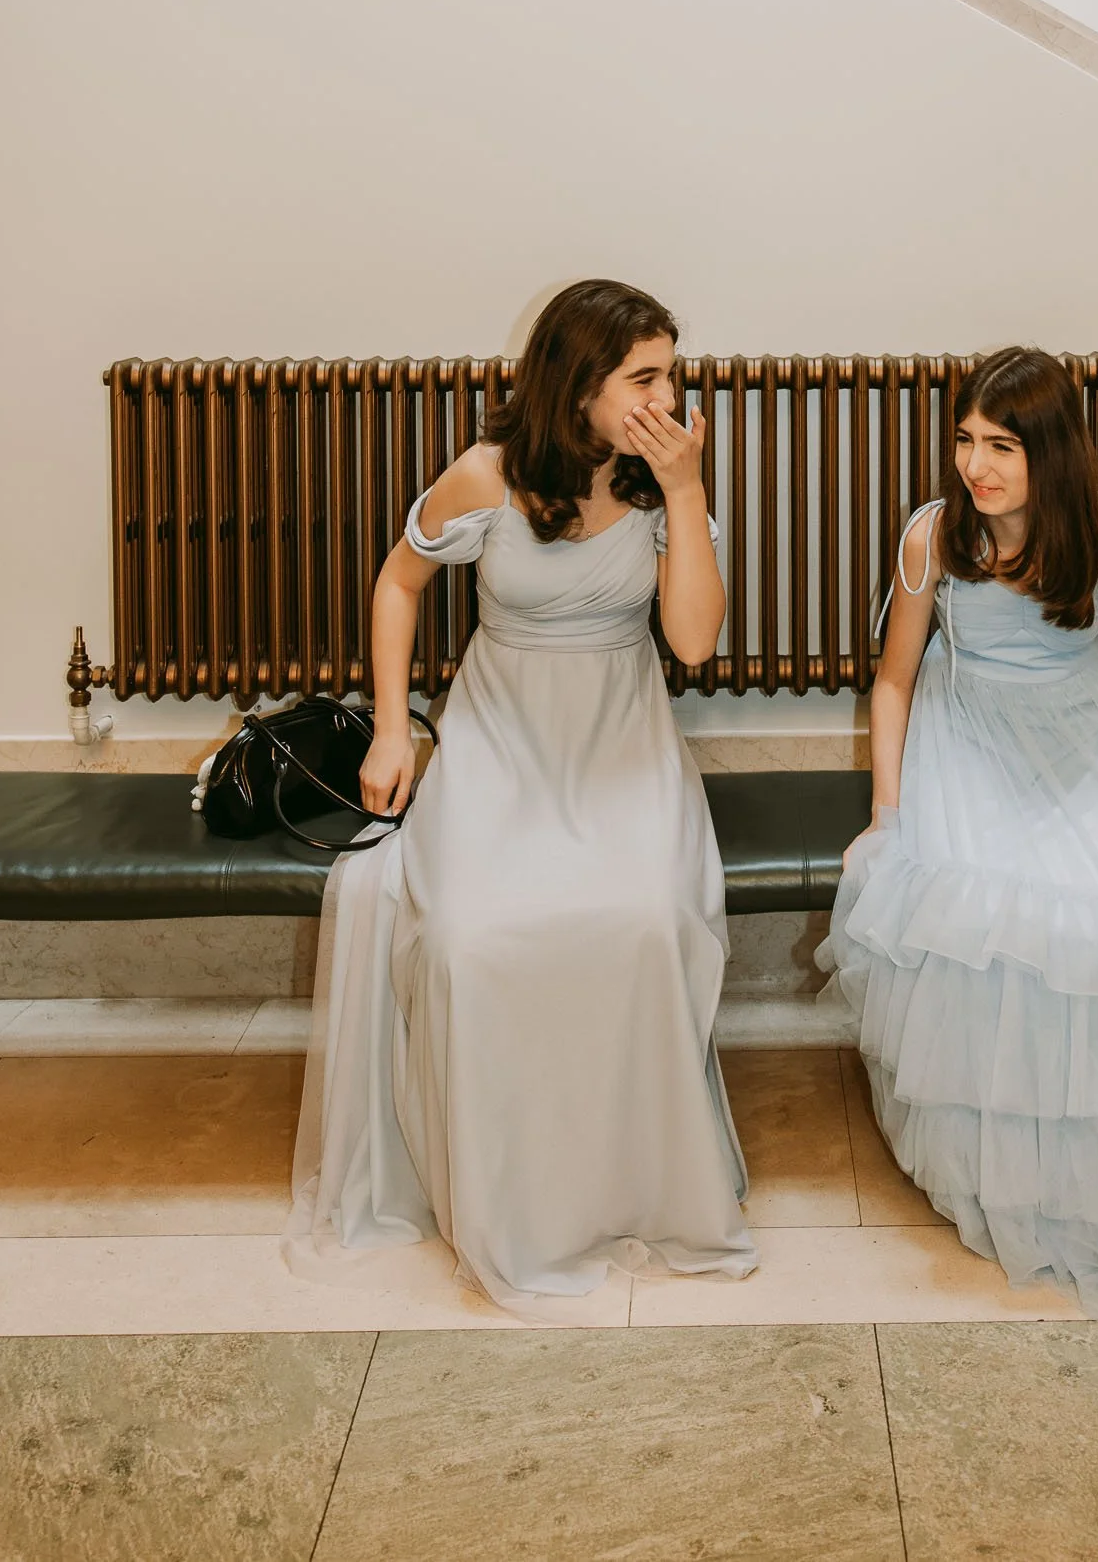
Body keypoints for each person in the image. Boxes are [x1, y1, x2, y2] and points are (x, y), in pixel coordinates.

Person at [287, 279, 756, 1310]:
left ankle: (626, 1182)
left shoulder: (657, 484)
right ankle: (505, 1191)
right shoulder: (484, 476)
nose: (667, 396)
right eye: (644, 376)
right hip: (501, 741)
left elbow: (690, 642)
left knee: (641, 924)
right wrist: (392, 722)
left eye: (670, 373)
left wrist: (683, 492)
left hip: (620, 744)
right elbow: (397, 582)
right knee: (466, 935)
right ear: (578, 382)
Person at [819, 345, 1098, 1318]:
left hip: (1088, 739)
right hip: (970, 738)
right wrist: (887, 816)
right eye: (964, 440)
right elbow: (893, 680)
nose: (975, 465)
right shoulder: (934, 537)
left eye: (1001, 446)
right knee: (997, 923)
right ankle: (1009, 1168)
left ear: (1050, 451)